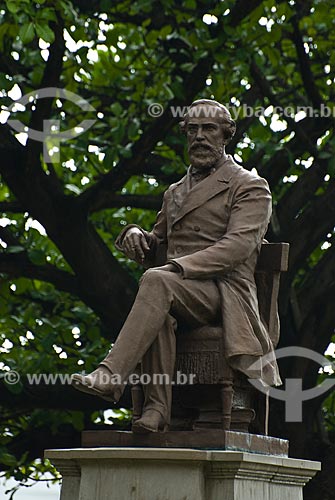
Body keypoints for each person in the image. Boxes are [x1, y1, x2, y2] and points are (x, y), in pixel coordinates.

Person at [71, 99, 281, 433]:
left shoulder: (250, 185)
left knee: (157, 281)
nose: (200, 137)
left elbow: (237, 247)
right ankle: (156, 410)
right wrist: (135, 235)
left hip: (225, 293)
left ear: (227, 134)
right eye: (193, 130)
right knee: (159, 303)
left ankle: (111, 376)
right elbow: (158, 242)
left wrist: (178, 267)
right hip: (178, 290)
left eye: (209, 129)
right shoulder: (175, 192)